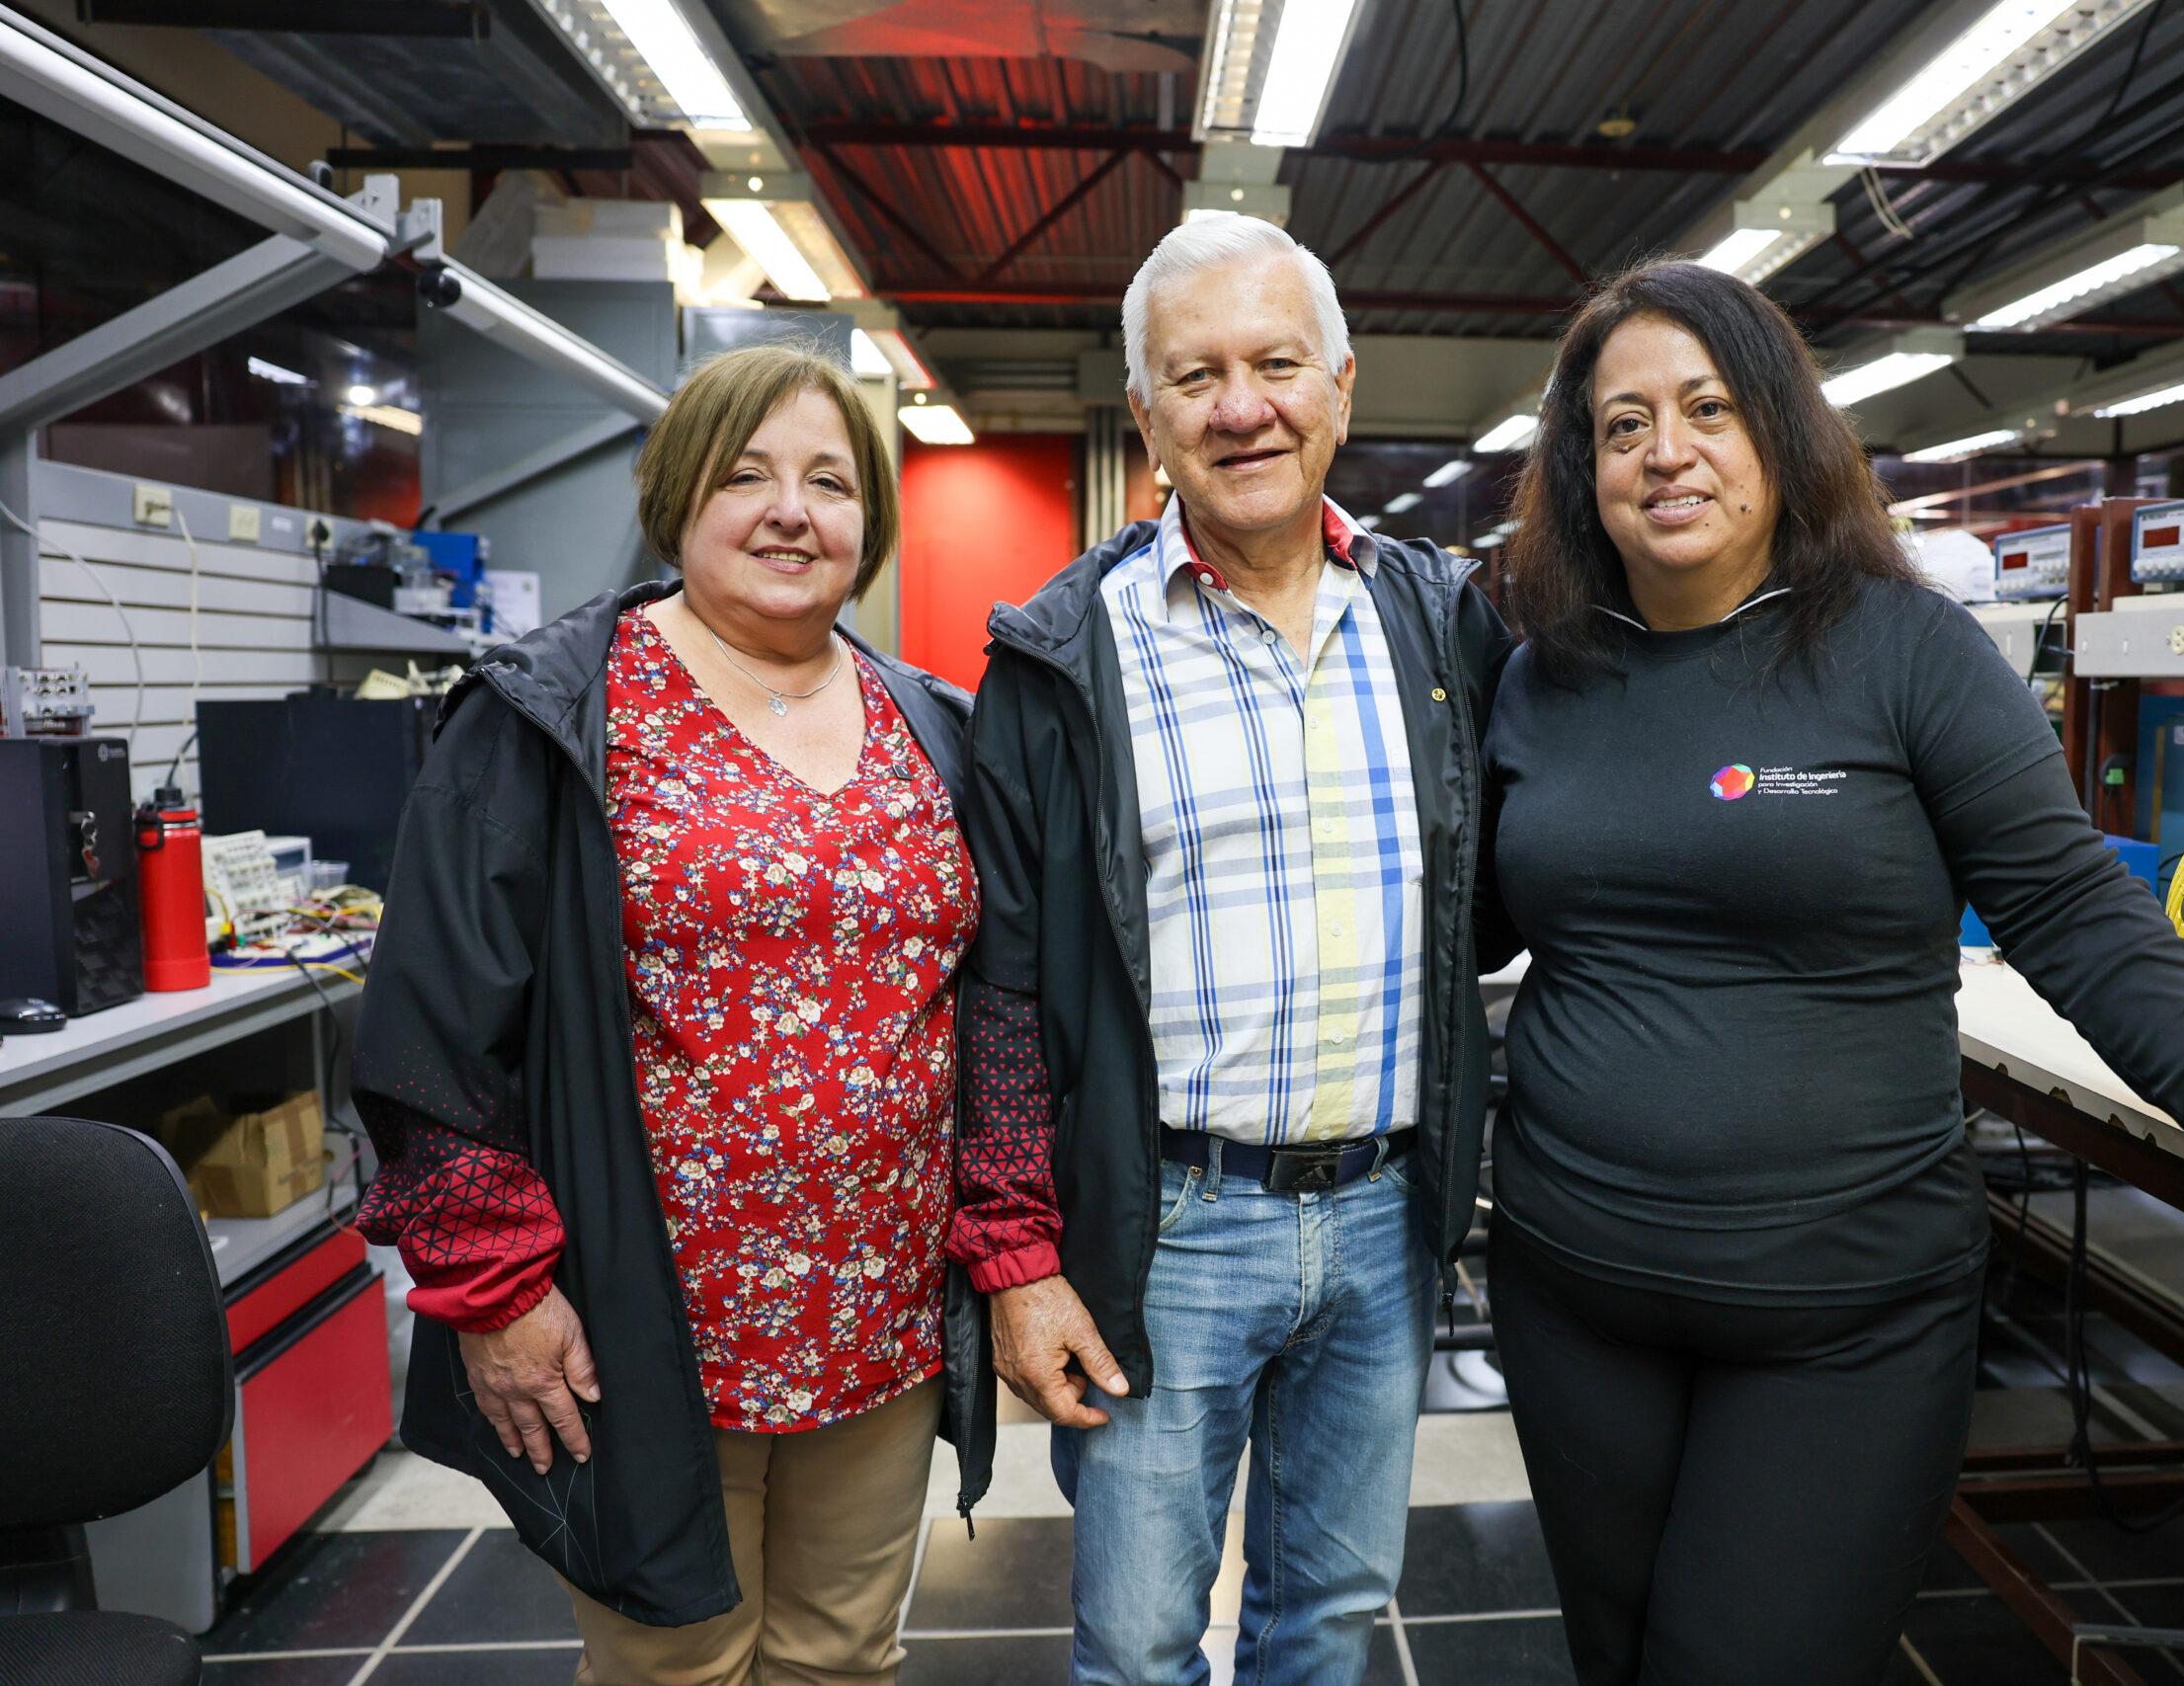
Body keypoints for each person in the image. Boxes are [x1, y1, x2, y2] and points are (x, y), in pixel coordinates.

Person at [1476, 257, 2184, 1686]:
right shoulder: (1542, 675)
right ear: (1581, 467)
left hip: (1840, 1320)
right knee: (1618, 1662)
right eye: (1622, 425)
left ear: (1781, 433)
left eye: (1708, 408)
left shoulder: (1904, 653)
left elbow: (2079, 917)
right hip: (1574, 1291)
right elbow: (1461, 920)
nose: (1667, 451)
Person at [351, 342, 991, 1684]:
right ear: (678, 495)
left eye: (830, 480)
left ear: (869, 517)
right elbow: (434, 1032)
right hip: (647, 1321)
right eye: (746, 473)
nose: (790, 510)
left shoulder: (932, 725)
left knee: (844, 1657)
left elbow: (990, 1007)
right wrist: (496, 1290)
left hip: (878, 1312)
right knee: (675, 1670)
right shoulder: (554, 715)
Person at [942, 215, 1511, 1686]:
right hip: (1166, 1228)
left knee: (1324, 1619)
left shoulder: (1436, 621)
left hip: (1387, 1217)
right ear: (1146, 415)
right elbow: (998, 985)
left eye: (1275, 365)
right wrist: (1017, 1253)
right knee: (1137, 1646)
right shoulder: (1060, 661)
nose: (1240, 406)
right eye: (1196, 376)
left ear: (1340, 387)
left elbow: (1500, 892)